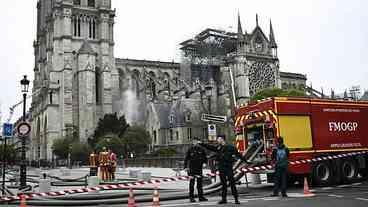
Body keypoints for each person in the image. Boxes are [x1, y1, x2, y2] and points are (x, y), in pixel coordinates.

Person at [200, 135, 248, 204]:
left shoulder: (231, 147)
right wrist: (202, 144)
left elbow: (238, 155)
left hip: (228, 167)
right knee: (223, 184)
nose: (217, 140)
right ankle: (224, 199)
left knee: (232, 183)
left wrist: (246, 161)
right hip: (221, 168)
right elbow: (210, 147)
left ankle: (236, 199)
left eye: (218, 139)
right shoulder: (218, 148)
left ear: (222, 139)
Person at [184, 138, 208, 203]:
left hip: (199, 169)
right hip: (192, 169)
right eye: (194, 142)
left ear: (198, 142)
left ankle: (201, 197)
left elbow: (205, 158)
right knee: (192, 184)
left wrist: (205, 163)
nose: (195, 143)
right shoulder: (190, 149)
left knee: (199, 184)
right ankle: (191, 197)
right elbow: (186, 158)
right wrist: (185, 167)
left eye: (196, 141)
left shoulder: (201, 149)